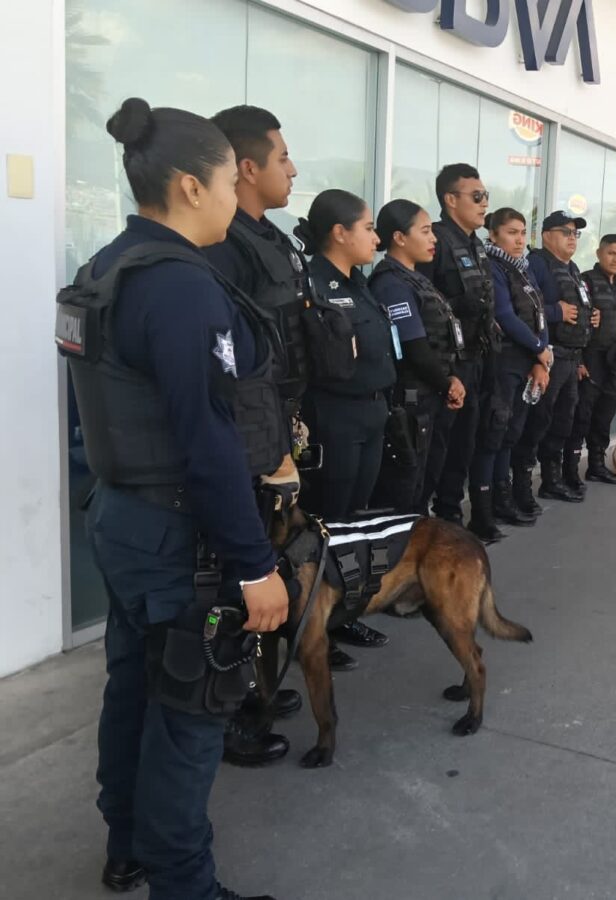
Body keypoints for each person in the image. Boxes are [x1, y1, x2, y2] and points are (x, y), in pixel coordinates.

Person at [65, 97, 288, 900]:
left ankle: (125, 844)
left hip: (120, 518)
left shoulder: (109, 265)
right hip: (175, 537)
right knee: (191, 713)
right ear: (192, 185)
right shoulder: (182, 288)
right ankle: (183, 884)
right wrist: (255, 564)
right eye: (232, 178)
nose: (239, 194)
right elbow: (206, 442)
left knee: (132, 687)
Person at [203, 105, 312, 767]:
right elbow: (233, 375)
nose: (292, 168)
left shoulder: (272, 239)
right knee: (231, 584)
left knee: (267, 572)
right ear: (246, 167)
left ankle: (251, 689)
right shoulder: (224, 248)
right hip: (250, 446)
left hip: (278, 434)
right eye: (281, 157)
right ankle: (224, 713)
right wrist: (268, 452)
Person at [417, 164, 505, 541]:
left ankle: (452, 516)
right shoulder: (435, 242)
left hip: (477, 360)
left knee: (466, 444)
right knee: (438, 449)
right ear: (450, 200)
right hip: (445, 367)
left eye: (485, 196)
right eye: (477, 196)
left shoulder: (476, 244)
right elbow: (422, 305)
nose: (485, 204)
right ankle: (425, 524)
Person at [297, 190, 392, 523]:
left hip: (373, 411)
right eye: (368, 228)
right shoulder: (313, 285)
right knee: (331, 513)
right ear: (340, 233)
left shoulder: (358, 282)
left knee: (358, 511)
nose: (376, 238)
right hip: (337, 416)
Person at [369, 199, 467, 515]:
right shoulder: (392, 284)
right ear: (399, 237)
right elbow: (415, 347)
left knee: (425, 480)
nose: (433, 238)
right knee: (405, 487)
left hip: (432, 394)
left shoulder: (417, 278)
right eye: (425, 231)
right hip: (413, 399)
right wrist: (447, 383)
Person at [516, 210, 596, 503]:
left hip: (571, 358)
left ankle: (552, 480)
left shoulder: (573, 268)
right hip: (548, 358)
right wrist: (556, 313)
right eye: (566, 232)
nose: (572, 238)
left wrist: (591, 317)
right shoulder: (536, 264)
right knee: (538, 423)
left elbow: (578, 305)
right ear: (547, 235)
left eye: (576, 233)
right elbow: (526, 309)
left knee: (563, 422)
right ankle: (521, 486)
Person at [484, 208, 552, 523]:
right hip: (504, 362)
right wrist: (539, 349)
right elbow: (505, 316)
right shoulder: (493, 266)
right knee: (496, 433)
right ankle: (494, 499)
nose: (519, 239)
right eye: (512, 232)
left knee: (513, 432)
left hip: (528, 360)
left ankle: (507, 493)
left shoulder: (523, 268)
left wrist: (543, 352)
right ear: (494, 234)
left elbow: (537, 311)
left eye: (523, 232)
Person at [572, 234, 616, 484]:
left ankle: (596, 465)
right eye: (611, 253)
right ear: (599, 253)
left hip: (613, 362)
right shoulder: (586, 281)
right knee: (581, 416)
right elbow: (576, 325)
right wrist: (579, 361)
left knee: (604, 415)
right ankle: (569, 470)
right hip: (590, 359)